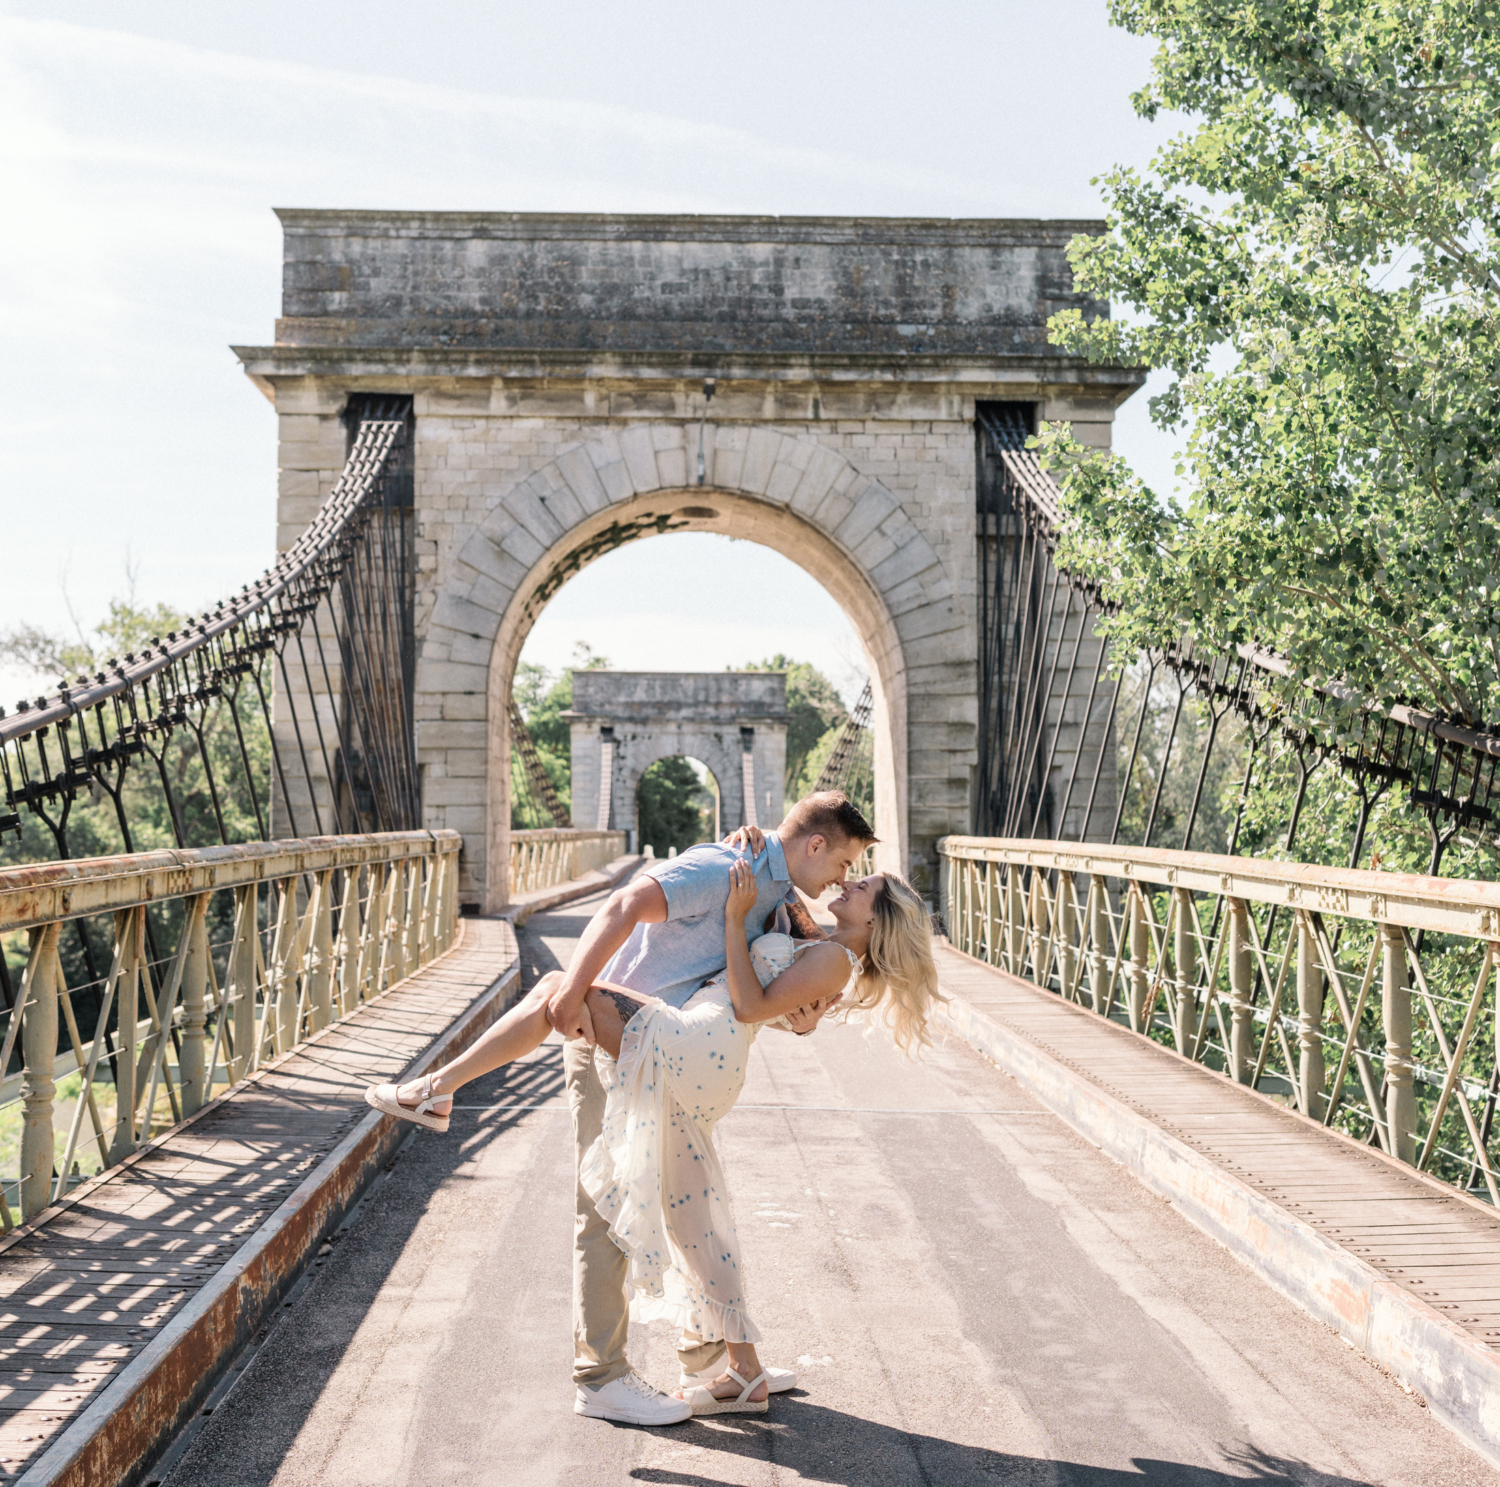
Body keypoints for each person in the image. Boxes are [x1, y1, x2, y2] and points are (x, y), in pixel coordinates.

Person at [366, 824, 942, 1420]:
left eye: (863, 881)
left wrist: (731, 917)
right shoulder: (810, 930)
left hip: (692, 1046)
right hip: (706, 1058)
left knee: (562, 988)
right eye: (850, 865)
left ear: (875, 922)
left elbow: (749, 1003)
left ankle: (436, 1089)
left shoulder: (831, 958)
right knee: (692, 1211)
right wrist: (744, 840)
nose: (848, 879)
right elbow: (786, 888)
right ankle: (739, 1370)